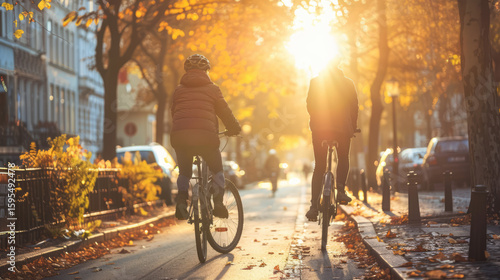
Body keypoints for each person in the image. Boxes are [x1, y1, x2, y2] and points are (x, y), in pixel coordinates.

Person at [170, 54, 241, 220]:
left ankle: (181, 200)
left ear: (187, 71)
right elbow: (225, 112)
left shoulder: (178, 90)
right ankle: (218, 203)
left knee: (184, 173)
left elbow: (174, 113)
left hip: (181, 138)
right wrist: (234, 128)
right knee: (217, 170)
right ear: (206, 71)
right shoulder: (213, 89)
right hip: (206, 138)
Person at [305, 58, 359, 221]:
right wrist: (352, 126)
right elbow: (354, 107)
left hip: (320, 129)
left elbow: (309, 105)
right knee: (343, 157)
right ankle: (341, 190)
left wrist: (316, 120)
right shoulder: (348, 83)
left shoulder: (315, 82)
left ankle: (314, 206)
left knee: (320, 166)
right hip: (342, 128)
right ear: (338, 65)